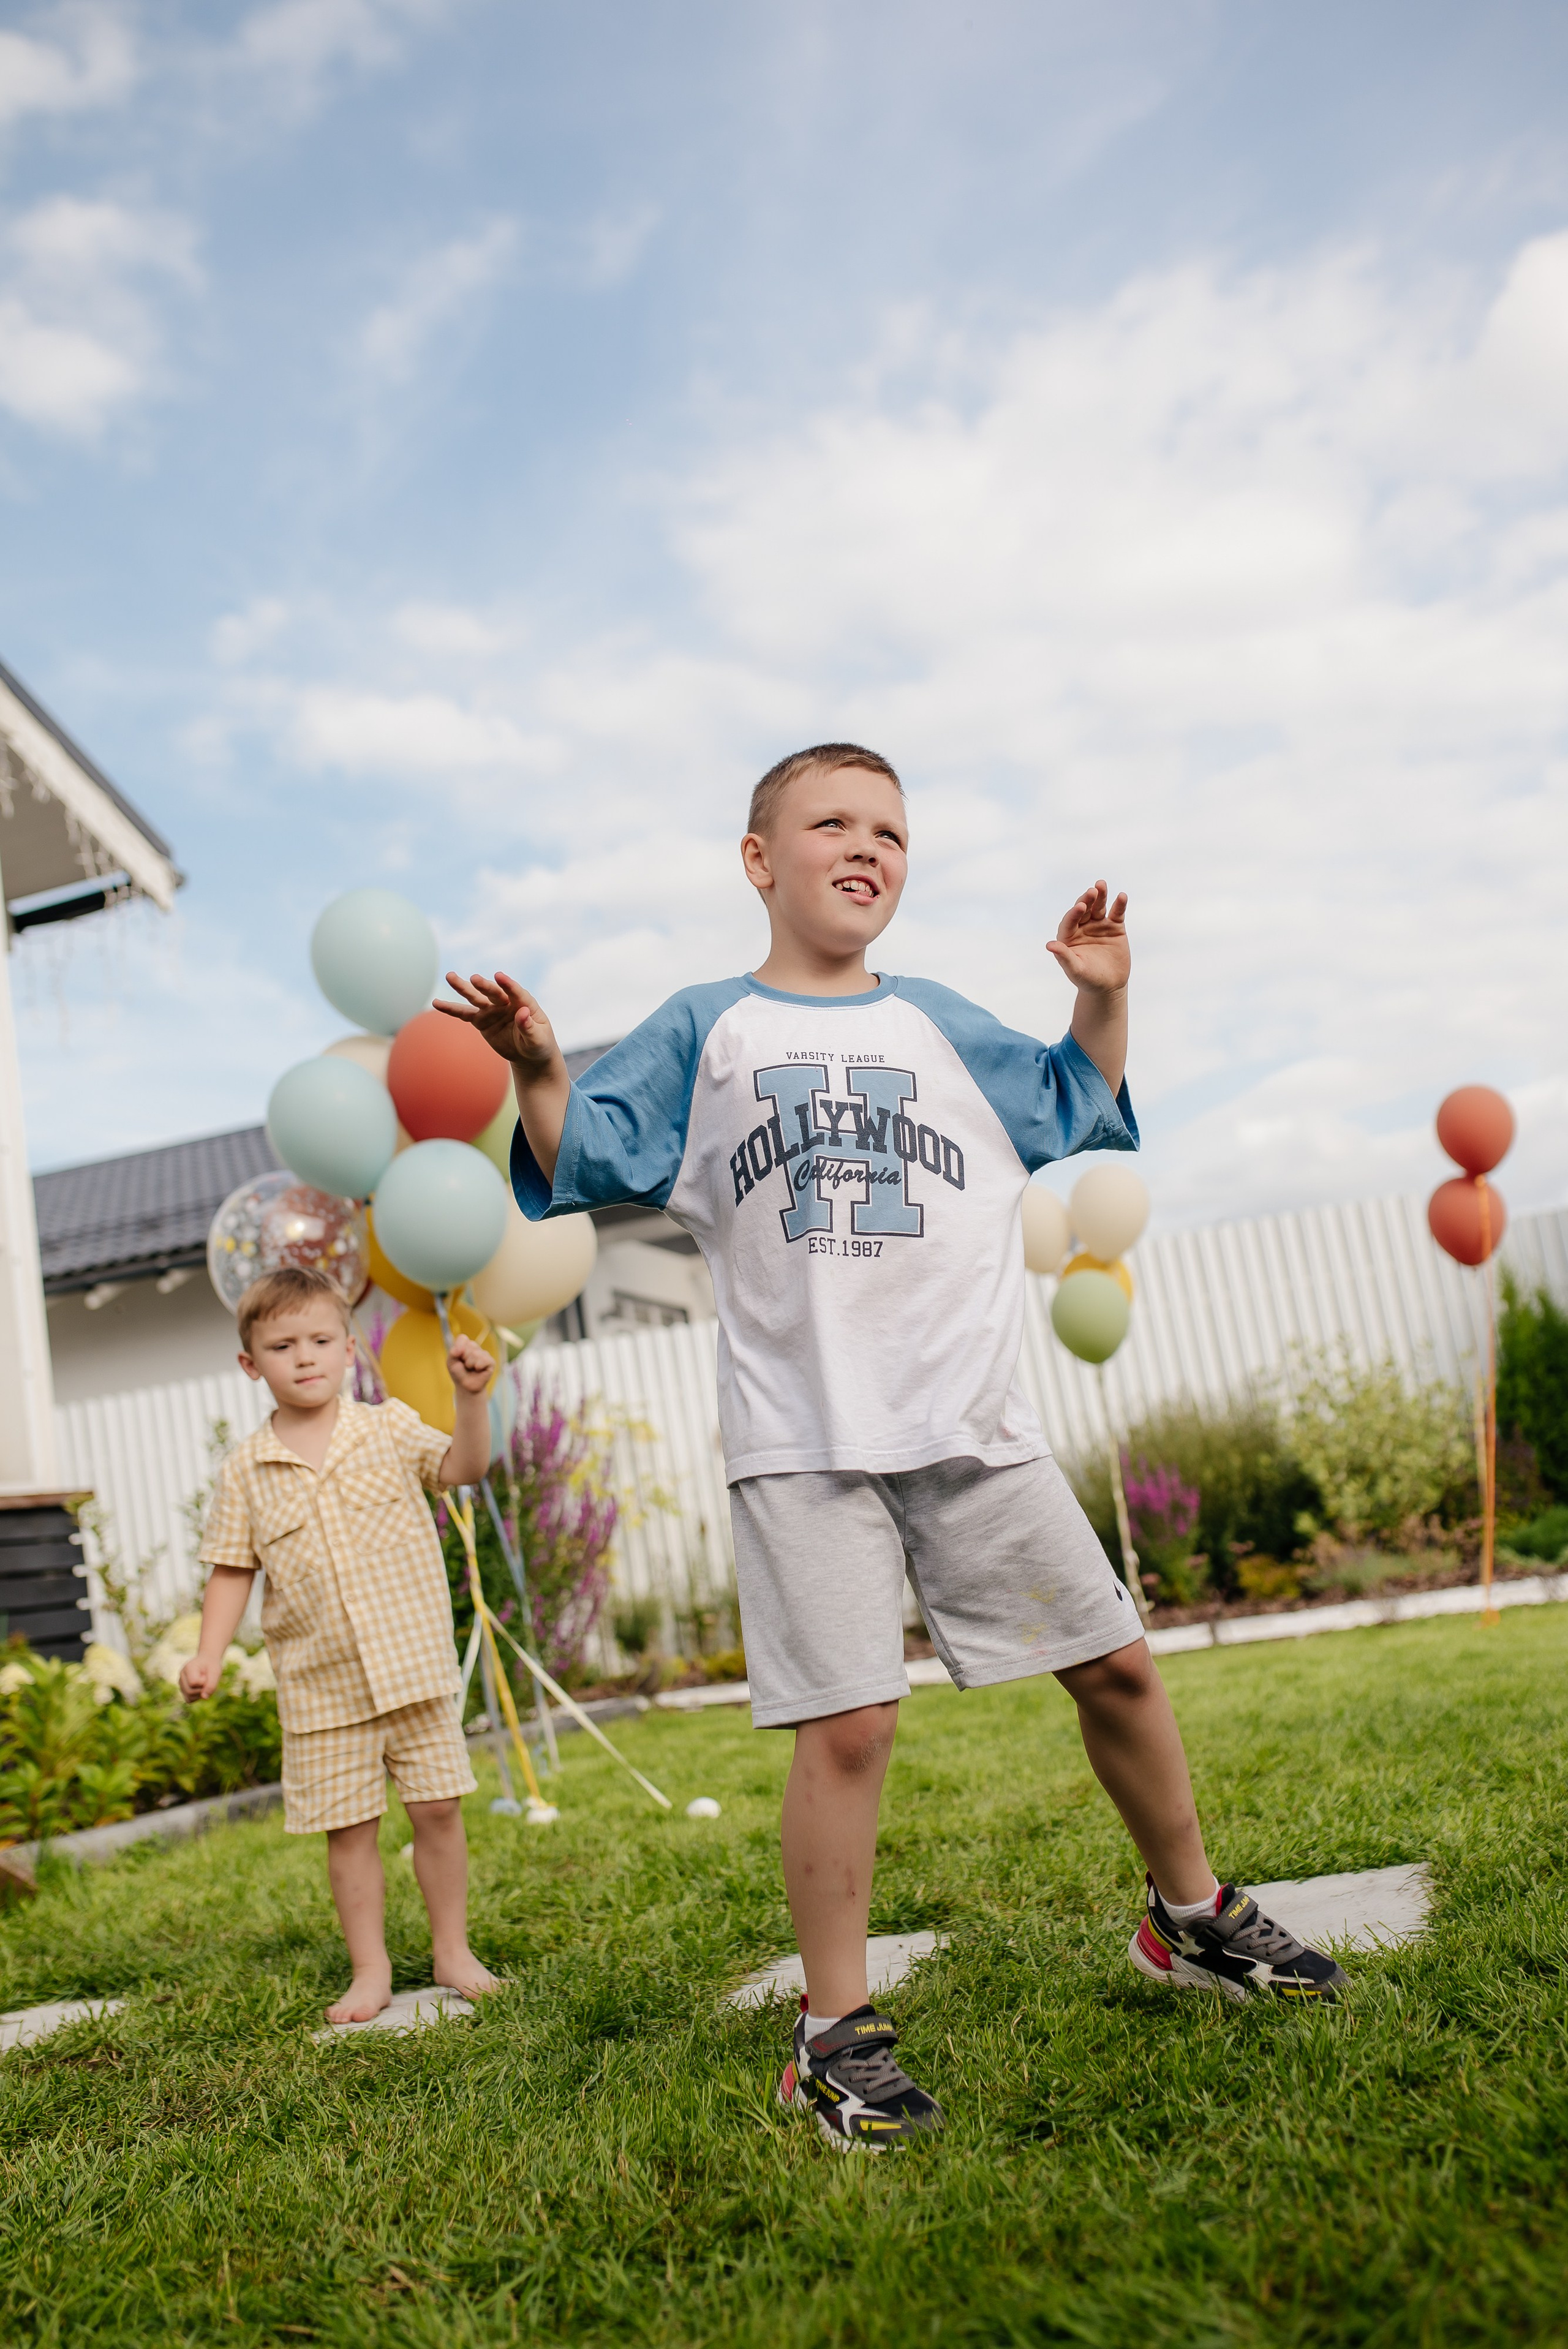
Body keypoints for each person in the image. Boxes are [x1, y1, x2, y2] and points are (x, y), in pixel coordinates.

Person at [440, 741, 1346, 2149]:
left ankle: (1188, 1913)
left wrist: (1101, 994)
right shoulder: (706, 1030)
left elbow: (1075, 1097)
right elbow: (580, 1160)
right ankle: (832, 2034)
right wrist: (541, 1066)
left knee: (1113, 1662)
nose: (865, 846)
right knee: (851, 1722)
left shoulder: (937, 1023)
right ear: (759, 859)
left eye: (889, 830)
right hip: (802, 1439)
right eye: (831, 823)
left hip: (970, 1425)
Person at [179, 1264, 502, 2025]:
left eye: (322, 1340)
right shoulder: (247, 1469)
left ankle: (452, 1950)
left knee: (438, 1809)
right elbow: (231, 1568)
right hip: (320, 1688)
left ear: (350, 1348)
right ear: (250, 1364)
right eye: (283, 1345)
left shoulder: (388, 1428)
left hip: (413, 1669)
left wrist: (471, 1398)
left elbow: (464, 1467)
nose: (306, 1356)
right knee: (350, 1832)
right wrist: (208, 1652)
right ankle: (370, 1970)